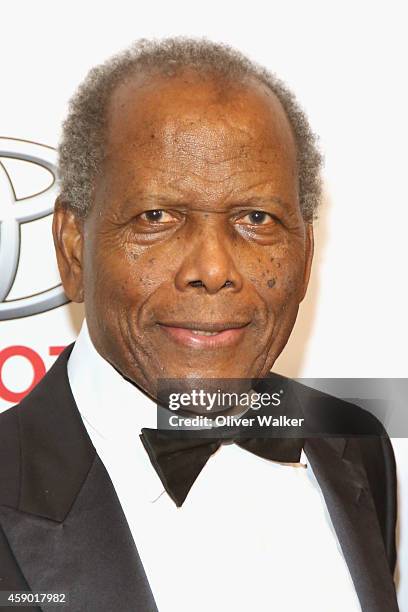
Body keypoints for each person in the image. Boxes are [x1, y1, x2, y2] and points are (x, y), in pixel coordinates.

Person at [0, 38, 399, 611]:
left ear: (307, 253)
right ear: (72, 248)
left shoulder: (355, 446)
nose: (212, 269)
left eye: (257, 218)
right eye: (157, 217)